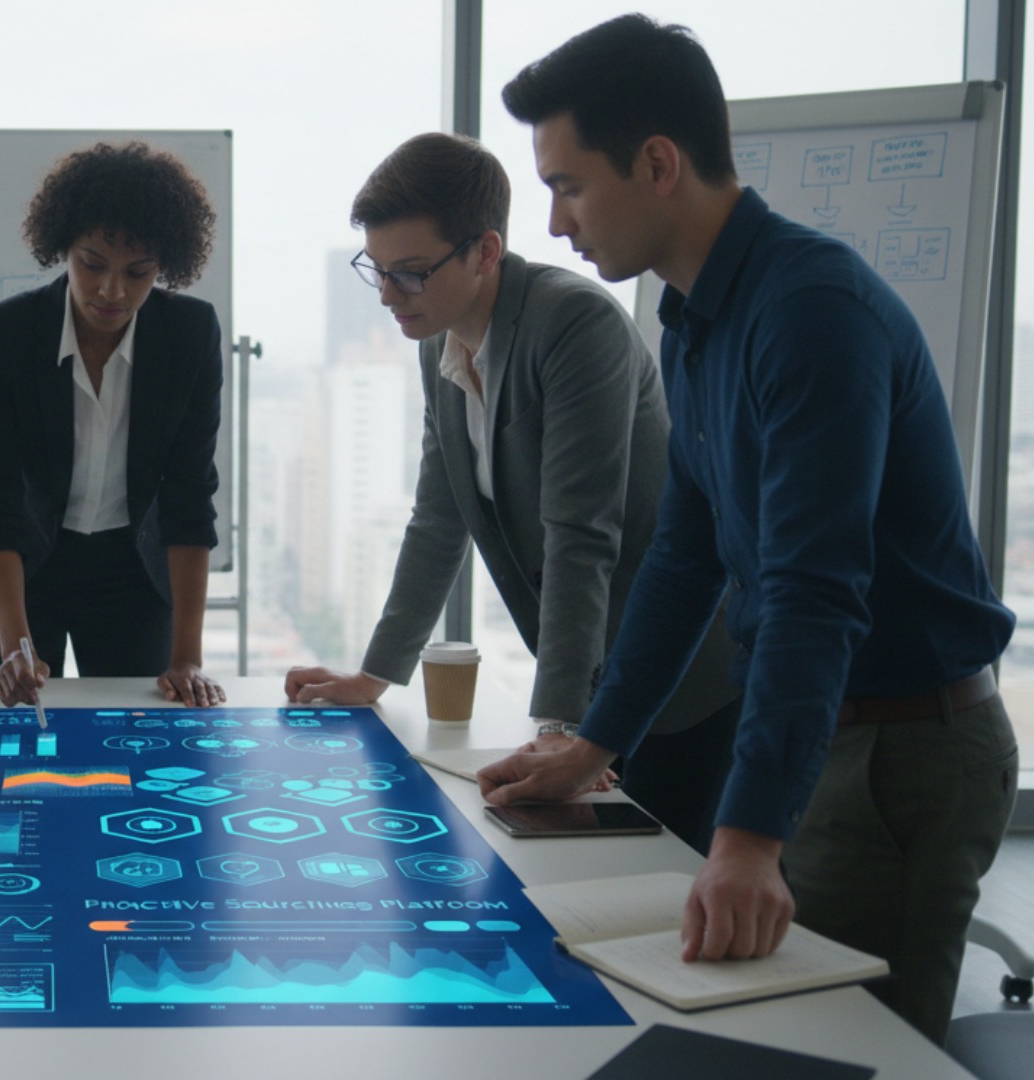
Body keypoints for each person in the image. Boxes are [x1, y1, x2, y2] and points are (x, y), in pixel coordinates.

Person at [478, 15, 1019, 1043]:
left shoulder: (810, 310)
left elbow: (815, 593)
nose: (556, 222)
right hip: (830, 736)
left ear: (658, 163)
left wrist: (749, 835)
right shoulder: (691, 322)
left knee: (841, 1051)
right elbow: (688, 556)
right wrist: (597, 740)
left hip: (905, 753)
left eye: (570, 185)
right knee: (763, 1032)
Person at [284, 132, 741, 854]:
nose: (389, 296)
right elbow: (438, 521)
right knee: (584, 880)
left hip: (682, 681)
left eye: (411, 273)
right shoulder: (441, 340)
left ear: (485, 252)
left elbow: (581, 534)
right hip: (594, 678)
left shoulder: (574, 323)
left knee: (661, 894)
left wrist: (558, 725)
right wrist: (374, 676)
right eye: (377, 271)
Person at [0, 142, 226, 708]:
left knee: (136, 736)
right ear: (63, 246)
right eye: (92, 264)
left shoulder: (190, 334)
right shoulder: (5, 334)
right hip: (18, 562)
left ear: (164, 265)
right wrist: (15, 642)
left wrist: (188, 657)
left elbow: (191, 496)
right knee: (15, 729)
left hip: (131, 571)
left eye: (137, 273)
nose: (112, 291)